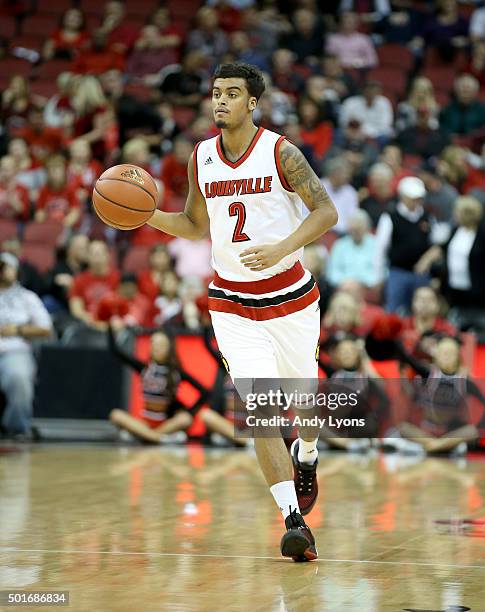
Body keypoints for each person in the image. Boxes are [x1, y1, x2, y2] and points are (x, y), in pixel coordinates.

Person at [140, 63, 338, 561]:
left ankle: (307, 453)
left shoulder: (281, 152)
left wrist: (282, 248)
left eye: (232, 93)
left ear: (253, 103)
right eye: (215, 93)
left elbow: (326, 211)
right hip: (231, 303)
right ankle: (293, 521)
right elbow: (192, 225)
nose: (220, 101)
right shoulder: (201, 157)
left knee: (304, 404)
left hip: (291, 298)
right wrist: (145, 216)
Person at [108, 324, 230, 444]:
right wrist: (109, 325)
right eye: (153, 344)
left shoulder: (175, 373)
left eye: (161, 345)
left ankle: (145, 435)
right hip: (145, 422)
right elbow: (117, 352)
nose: (156, 348)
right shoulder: (145, 369)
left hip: (166, 424)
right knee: (115, 415)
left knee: (185, 419)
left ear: (169, 348)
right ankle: (157, 437)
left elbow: (205, 393)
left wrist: (189, 411)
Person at [0, 253, 52, 438]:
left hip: (15, 350)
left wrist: (18, 330)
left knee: (18, 377)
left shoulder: (27, 297)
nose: (3, 270)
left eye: (7, 267)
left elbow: (46, 329)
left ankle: (16, 429)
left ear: (17, 271)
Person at [375, 176, 437, 312]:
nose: (417, 201)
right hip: (398, 272)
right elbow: (380, 248)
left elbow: (434, 244)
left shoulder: (427, 217)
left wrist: (427, 261)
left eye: (419, 197)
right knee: (394, 311)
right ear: (402, 196)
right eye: (413, 197)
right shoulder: (390, 216)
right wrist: (379, 276)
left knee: (422, 311)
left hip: (421, 274)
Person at [326, 210, 378, 288]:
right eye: (353, 229)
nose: (356, 232)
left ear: (367, 228)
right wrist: (345, 282)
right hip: (344, 286)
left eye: (359, 229)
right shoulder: (340, 245)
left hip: (367, 286)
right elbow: (332, 272)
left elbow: (382, 271)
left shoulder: (376, 244)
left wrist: (361, 282)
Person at [320, 157, 358, 234]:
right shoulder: (318, 186)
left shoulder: (351, 192)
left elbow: (352, 217)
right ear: (335, 173)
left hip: (342, 234)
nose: (348, 177)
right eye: (345, 173)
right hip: (318, 232)